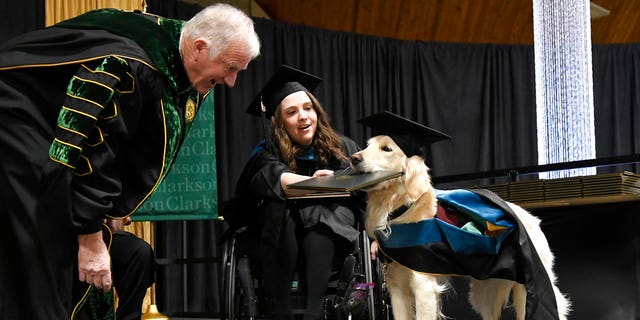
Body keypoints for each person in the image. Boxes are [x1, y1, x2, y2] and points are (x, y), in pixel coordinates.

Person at [0, 4, 260, 319]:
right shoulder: (132, 65)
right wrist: (90, 234)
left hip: (40, 129)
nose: (231, 82)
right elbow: (91, 147)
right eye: (230, 68)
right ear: (200, 48)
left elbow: (129, 145)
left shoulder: (176, 46)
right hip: (16, 120)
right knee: (44, 254)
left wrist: (111, 210)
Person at [228, 65, 366, 320]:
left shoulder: (343, 147)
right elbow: (276, 179)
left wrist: (376, 237)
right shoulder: (267, 151)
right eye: (292, 112)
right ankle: (283, 312)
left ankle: (313, 314)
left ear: (317, 112)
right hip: (280, 236)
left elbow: (365, 196)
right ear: (279, 122)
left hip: (332, 234)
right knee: (280, 211)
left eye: (308, 108)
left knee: (319, 218)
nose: (303, 116)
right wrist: (314, 182)